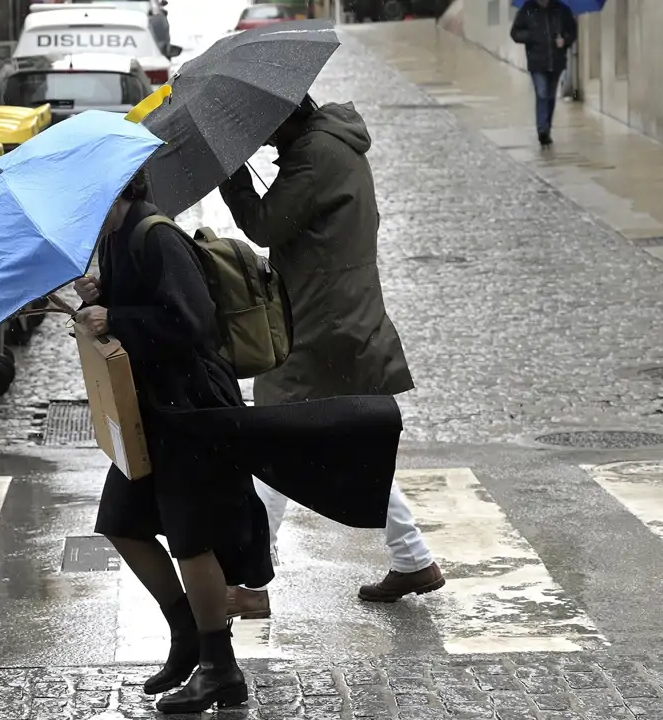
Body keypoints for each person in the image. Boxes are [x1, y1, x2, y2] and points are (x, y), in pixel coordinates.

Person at [217, 95, 444, 617]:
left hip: (322, 327)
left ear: (285, 117)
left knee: (274, 441)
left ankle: (249, 582)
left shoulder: (316, 154)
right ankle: (412, 559)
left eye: (266, 129)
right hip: (340, 318)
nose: (266, 140)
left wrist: (233, 175)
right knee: (353, 447)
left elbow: (265, 226)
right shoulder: (329, 145)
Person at [72, 168, 274, 714]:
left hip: (191, 409)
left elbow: (192, 325)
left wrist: (114, 314)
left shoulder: (157, 234)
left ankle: (220, 670)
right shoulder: (116, 236)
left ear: (118, 190)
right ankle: (188, 634)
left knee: (191, 538)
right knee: (122, 523)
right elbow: (144, 308)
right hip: (150, 411)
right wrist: (101, 293)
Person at [510, 0, 577, 146]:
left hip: (556, 61)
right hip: (536, 62)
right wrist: (532, 37)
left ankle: (547, 128)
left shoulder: (562, 10)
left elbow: (572, 32)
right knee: (542, 93)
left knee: (550, 96)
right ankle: (542, 130)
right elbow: (515, 33)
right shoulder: (528, 9)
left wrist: (564, 41)